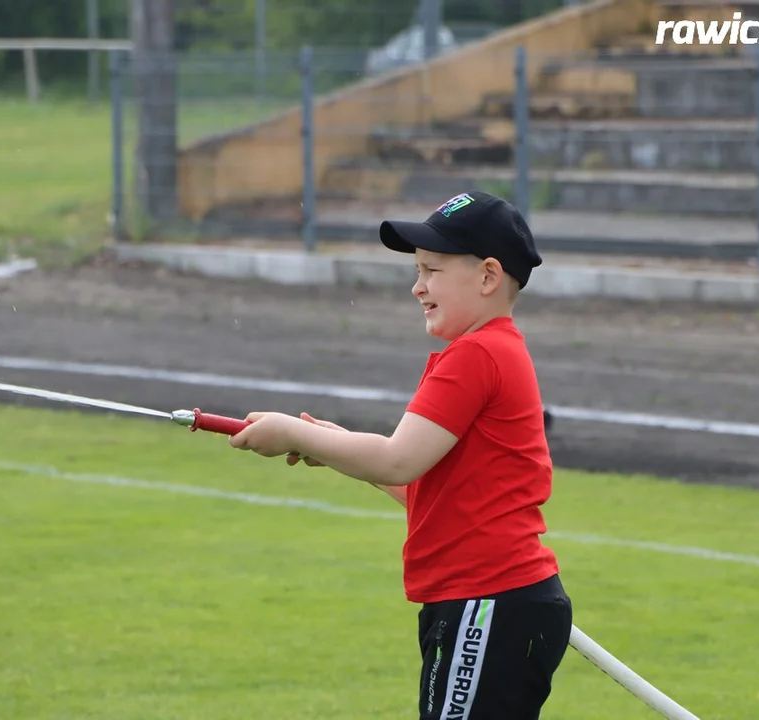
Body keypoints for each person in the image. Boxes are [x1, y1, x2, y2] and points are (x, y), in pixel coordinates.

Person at [229, 190, 573, 720]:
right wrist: (337, 446)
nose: (417, 287)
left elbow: (396, 460)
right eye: (418, 271)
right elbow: (423, 486)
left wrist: (295, 435)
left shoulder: (478, 354)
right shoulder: (486, 351)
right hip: (487, 602)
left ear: (486, 277)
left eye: (431, 271)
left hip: (486, 601)